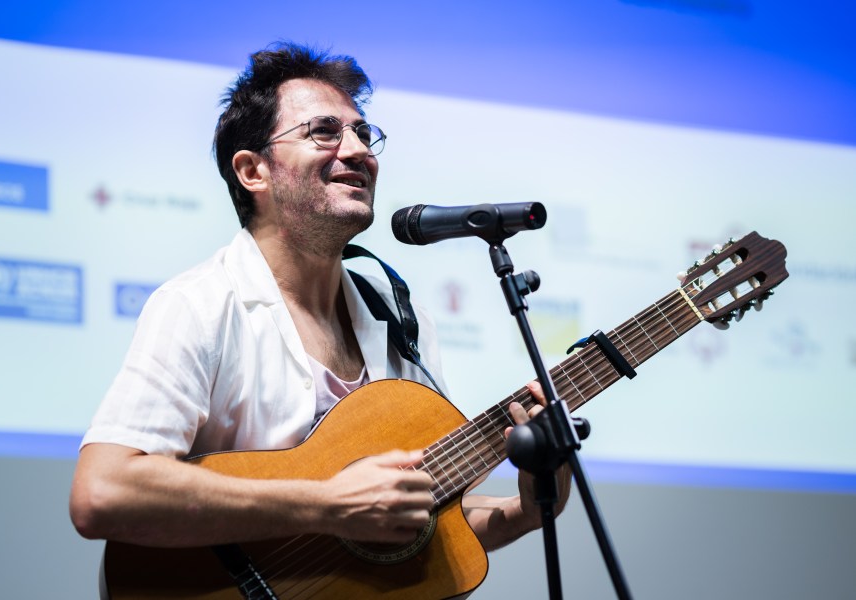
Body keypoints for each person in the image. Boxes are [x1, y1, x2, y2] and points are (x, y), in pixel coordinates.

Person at [70, 41, 570, 579]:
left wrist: (525, 510)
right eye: (324, 132)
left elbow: (416, 516)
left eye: (362, 133)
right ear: (252, 171)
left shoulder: (402, 320)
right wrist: (329, 504)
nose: (358, 151)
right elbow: (103, 491)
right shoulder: (199, 305)